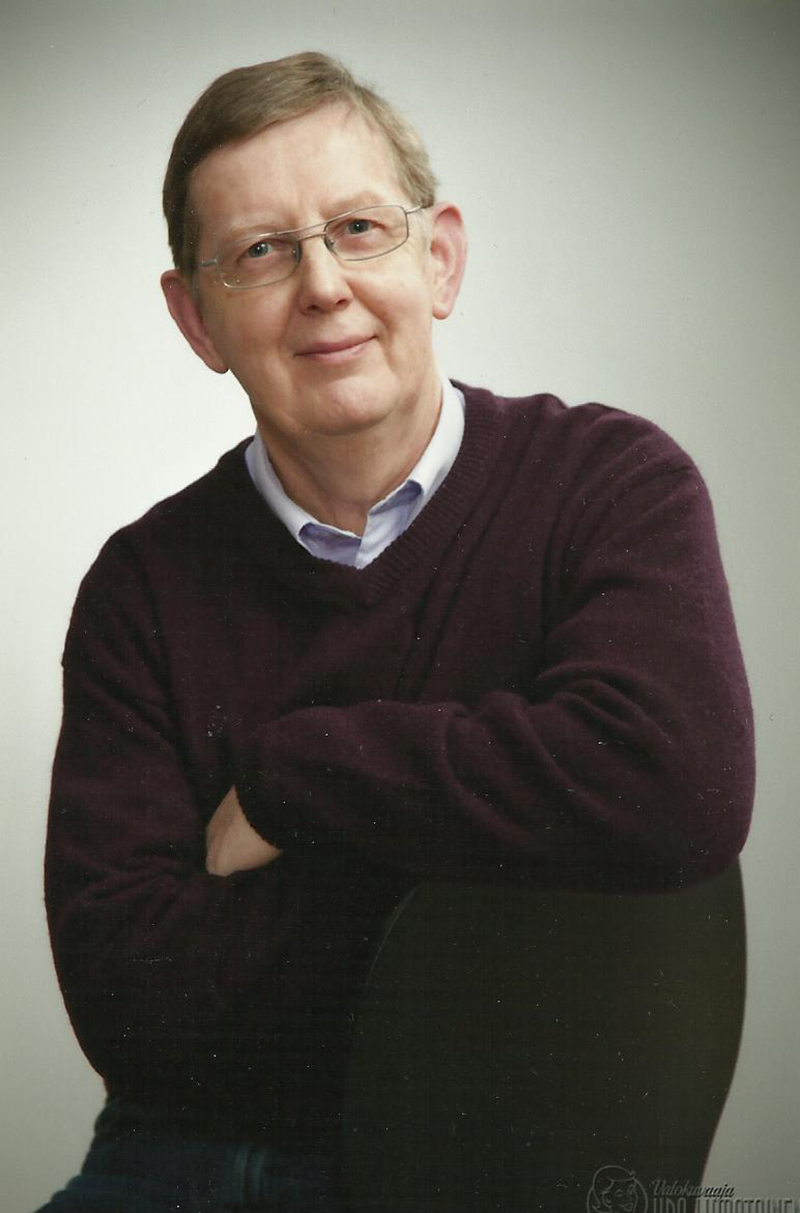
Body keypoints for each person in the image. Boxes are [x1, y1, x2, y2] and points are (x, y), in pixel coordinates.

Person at [38, 51, 754, 1213]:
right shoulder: (142, 586)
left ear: (439, 258)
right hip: (196, 1162)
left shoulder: (610, 485)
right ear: (195, 318)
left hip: (520, 1165)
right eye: (259, 251)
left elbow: (676, 786)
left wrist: (293, 778)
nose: (321, 285)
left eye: (358, 228)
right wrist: (486, 889)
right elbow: (131, 1003)